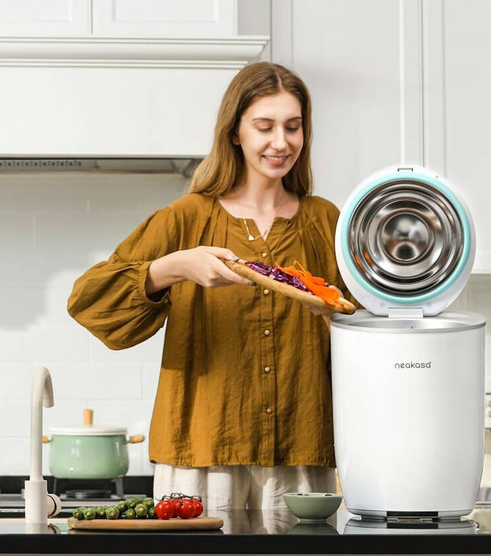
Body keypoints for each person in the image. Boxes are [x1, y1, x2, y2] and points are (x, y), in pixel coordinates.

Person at [67, 62, 351, 511]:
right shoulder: (187, 218)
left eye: (293, 127)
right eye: (265, 127)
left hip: (303, 457)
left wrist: (337, 319)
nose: (281, 142)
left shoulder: (327, 221)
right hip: (200, 457)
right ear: (235, 133)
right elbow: (90, 301)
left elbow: (377, 336)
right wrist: (174, 266)